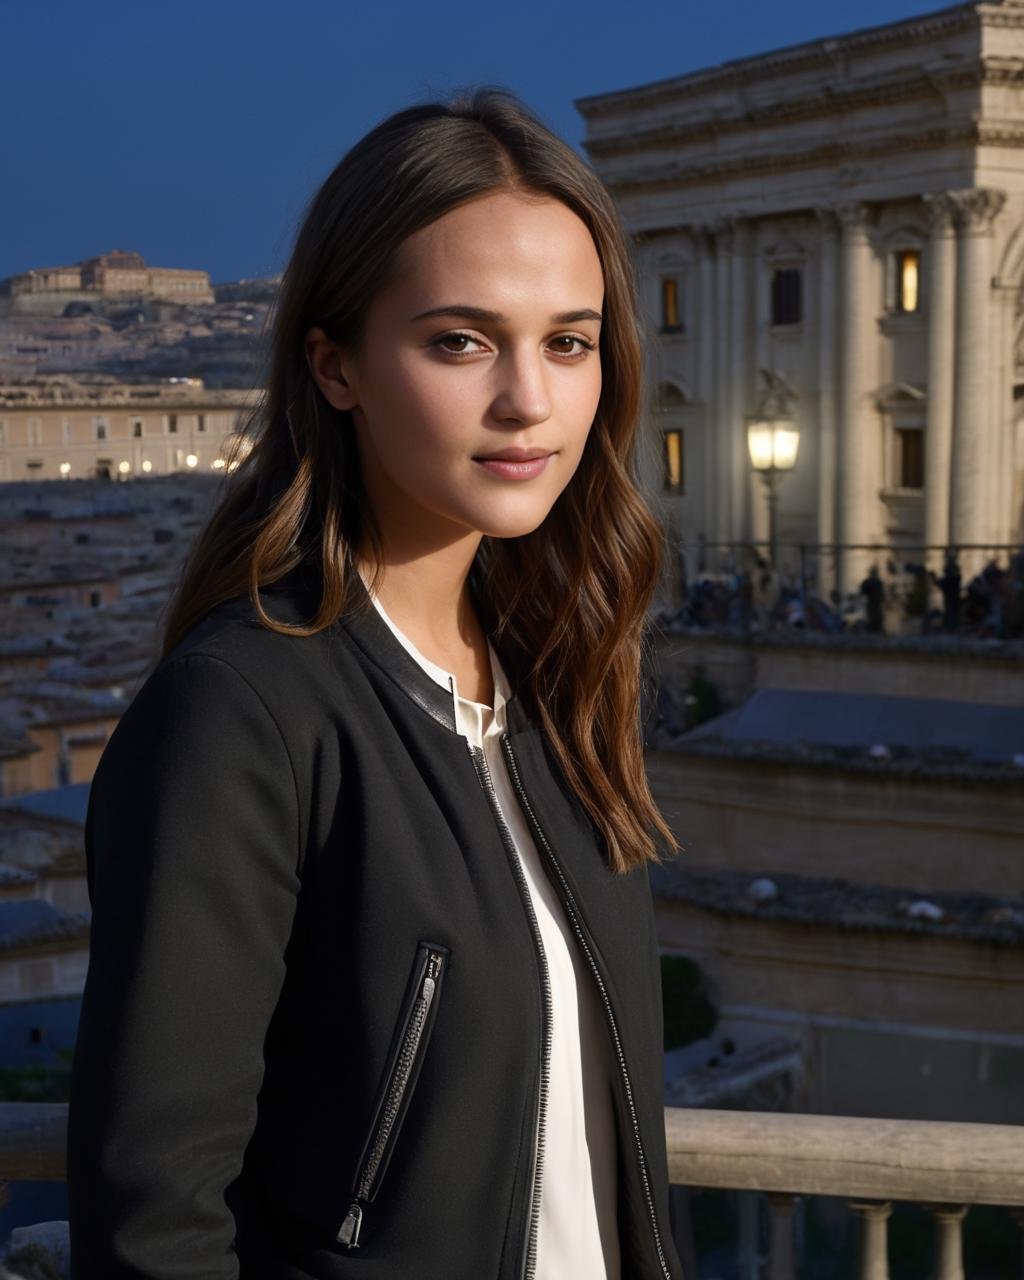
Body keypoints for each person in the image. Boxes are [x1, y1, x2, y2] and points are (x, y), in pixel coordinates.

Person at [66, 90, 686, 1280]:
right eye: (461, 340)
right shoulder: (241, 712)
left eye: (568, 339)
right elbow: (155, 1215)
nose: (530, 400)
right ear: (334, 363)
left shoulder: (559, 687)